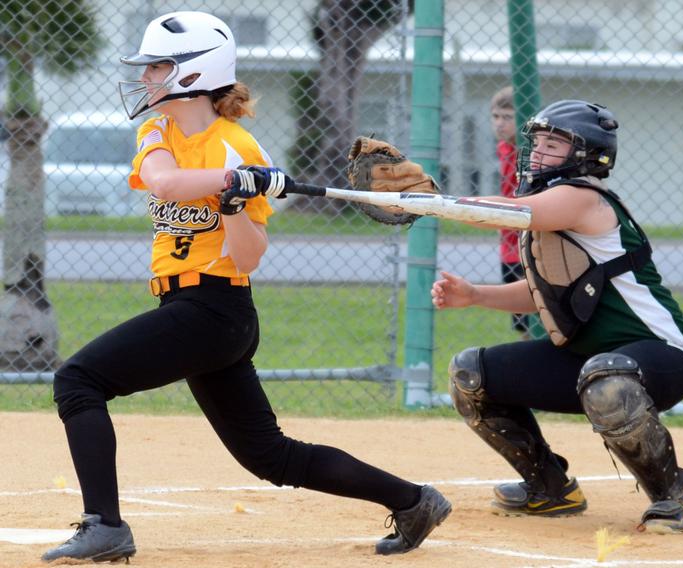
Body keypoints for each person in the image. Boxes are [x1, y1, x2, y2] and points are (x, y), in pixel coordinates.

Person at [42, 11, 449, 563]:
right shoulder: (158, 130)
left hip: (216, 310)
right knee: (270, 456)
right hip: (186, 307)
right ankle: (414, 500)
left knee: (78, 381)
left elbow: (250, 254)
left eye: (157, 67)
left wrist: (235, 201)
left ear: (194, 74)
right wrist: (228, 184)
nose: (145, 79)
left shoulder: (238, 147)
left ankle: (104, 526)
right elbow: (163, 179)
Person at [432, 100, 683, 533]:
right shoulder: (551, 208)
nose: (537, 152)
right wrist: (476, 294)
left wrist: (431, 201)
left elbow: (504, 212)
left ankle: (670, 498)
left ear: (586, 154)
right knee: (472, 373)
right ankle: (550, 488)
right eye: (536, 141)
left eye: (553, 144)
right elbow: (548, 294)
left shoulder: (582, 199)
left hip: (663, 358)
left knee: (609, 379)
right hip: (589, 363)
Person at [489, 86, 531, 339]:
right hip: (509, 243)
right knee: (522, 321)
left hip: (529, 240)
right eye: (495, 117)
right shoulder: (504, 148)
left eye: (507, 117)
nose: (500, 124)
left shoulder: (533, 152)